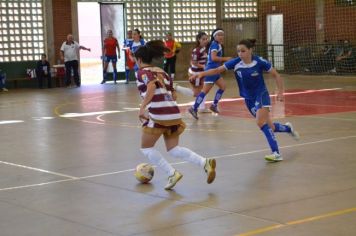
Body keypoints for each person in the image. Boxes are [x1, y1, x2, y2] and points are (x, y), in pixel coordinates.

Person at [190, 39, 300, 162]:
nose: (240, 54)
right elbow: (216, 71)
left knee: (260, 122)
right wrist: (201, 74)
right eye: (238, 51)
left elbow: (277, 75)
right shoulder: (236, 62)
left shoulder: (259, 61)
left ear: (250, 50)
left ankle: (276, 153)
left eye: (243, 51)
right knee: (271, 127)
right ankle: (288, 129)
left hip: (261, 95)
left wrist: (280, 92)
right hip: (248, 99)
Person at [134, 40, 216, 190]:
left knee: (146, 148)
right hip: (173, 114)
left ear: (139, 60)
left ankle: (172, 173)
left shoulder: (142, 72)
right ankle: (204, 162)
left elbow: (151, 86)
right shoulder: (162, 72)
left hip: (158, 115)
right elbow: (173, 95)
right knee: (173, 148)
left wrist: (142, 107)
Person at [188, 28, 232, 119]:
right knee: (203, 91)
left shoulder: (215, 44)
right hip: (211, 70)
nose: (221, 36)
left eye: (222, 35)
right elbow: (214, 58)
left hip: (216, 70)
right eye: (218, 35)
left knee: (223, 86)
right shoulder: (215, 45)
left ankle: (214, 105)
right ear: (214, 36)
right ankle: (194, 108)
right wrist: (226, 59)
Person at [188, 31, 210, 112]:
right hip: (196, 73)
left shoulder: (204, 49)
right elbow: (194, 62)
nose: (205, 41)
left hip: (201, 73)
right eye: (203, 39)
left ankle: (201, 107)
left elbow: (193, 61)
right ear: (199, 40)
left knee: (203, 90)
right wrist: (204, 66)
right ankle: (177, 88)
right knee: (197, 93)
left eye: (206, 39)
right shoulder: (197, 50)